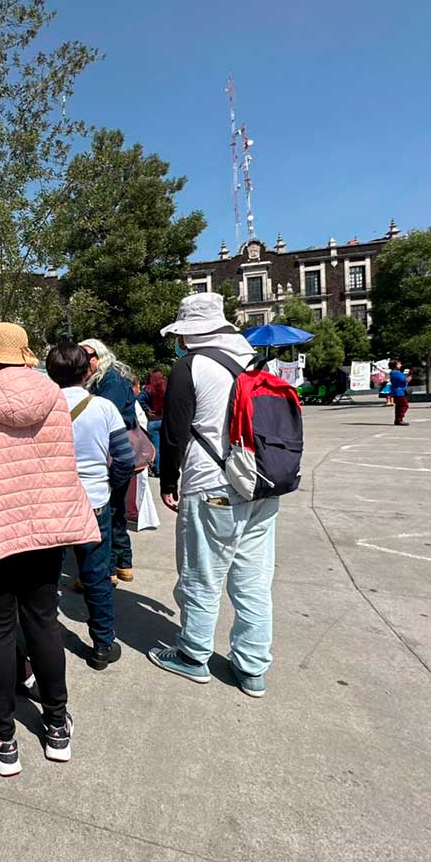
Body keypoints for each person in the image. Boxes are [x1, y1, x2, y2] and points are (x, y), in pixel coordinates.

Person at [0, 322, 99, 776]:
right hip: (46, 527)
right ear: (24, 358)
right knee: (43, 623)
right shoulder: (54, 399)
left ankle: (4, 738)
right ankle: (56, 727)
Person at [149, 292, 279, 699]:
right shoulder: (252, 359)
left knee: (202, 574)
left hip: (212, 484)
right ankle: (252, 666)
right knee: (253, 579)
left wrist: (168, 481)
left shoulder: (191, 367)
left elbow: (173, 434)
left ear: (189, 333)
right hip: (261, 481)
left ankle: (193, 655)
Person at [45, 342, 135, 671]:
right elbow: (124, 459)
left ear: (50, 373)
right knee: (97, 577)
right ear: (87, 371)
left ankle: (46, 639)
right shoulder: (103, 408)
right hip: (94, 502)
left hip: (53, 503)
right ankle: (101, 646)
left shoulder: (41, 409)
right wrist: (108, 483)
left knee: (47, 577)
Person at [79, 338, 138, 583]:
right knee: (115, 510)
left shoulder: (109, 379)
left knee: (108, 511)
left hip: (113, 451)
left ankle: (109, 570)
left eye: (86, 355)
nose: (82, 361)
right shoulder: (108, 377)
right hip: (116, 450)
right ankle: (122, 564)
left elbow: (105, 416)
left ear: (98, 355)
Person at [137, 370, 166, 477]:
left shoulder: (148, 389)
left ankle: (157, 469)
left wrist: (147, 410)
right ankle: (166, 468)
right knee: (165, 446)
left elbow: (139, 399)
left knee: (156, 447)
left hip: (153, 421)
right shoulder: (166, 388)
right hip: (165, 419)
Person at [390, 361, 409, 426]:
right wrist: (411, 375)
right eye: (399, 364)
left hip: (397, 391)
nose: (400, 365)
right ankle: (399, 419)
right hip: (399, 391)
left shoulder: (394, 373)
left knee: (399, 406)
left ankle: (397, 420)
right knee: (404, 405)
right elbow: (405, 380)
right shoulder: (396, 373)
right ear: (395, 366)